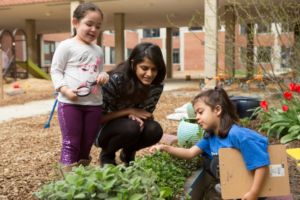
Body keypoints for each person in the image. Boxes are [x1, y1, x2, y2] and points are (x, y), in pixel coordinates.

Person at [150, 87, 270, 200]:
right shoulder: (211, 137)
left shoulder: (237, 135)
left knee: (217, 161)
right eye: (196, 113)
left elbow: (261, 165)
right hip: (240, 183)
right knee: (209, 160)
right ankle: (229, 189)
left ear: (217, 110)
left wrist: (254, 193)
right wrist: (164, 148)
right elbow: (190, 152)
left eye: (200, 112)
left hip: (258, 187)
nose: (197, 117)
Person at [50, 2, 109, 173]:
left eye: (97, 26)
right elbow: (55, 71)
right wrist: (65, 90)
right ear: (75, 22)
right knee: (71, 143)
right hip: (70, 104)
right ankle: (67, 184)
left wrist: (103, 76)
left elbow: (99, 72)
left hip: (94, 105)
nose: (93, 29)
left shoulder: (98, 50)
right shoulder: (66, 46)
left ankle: (80, 180)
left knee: (86, 143)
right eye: (89, 24)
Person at [95, 42, 166, 166]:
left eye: (154, 69)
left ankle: (128, 153)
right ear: (133, 64)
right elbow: (98, 119)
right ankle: (107, 155)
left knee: (154, 130)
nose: (149, 74)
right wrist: (129, 112)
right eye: (144, 68)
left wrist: (143, 117)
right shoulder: (115, 80)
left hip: (130, 125)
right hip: (103, 130)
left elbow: (146, 113)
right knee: (131, 127)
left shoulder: (156, 85)